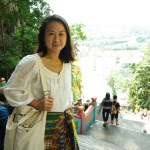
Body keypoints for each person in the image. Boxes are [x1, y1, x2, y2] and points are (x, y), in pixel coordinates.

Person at [4, 14, 79, 150]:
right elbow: (10, 90)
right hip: (38, 127)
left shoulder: (66, 63)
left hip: (62, 128)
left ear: (67, 38)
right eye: (51, 34)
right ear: (43, 38)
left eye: (61, 34)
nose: (56, 39)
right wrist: (36, 103)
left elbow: (65, 92)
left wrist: (68, 104)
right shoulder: (32, 62)